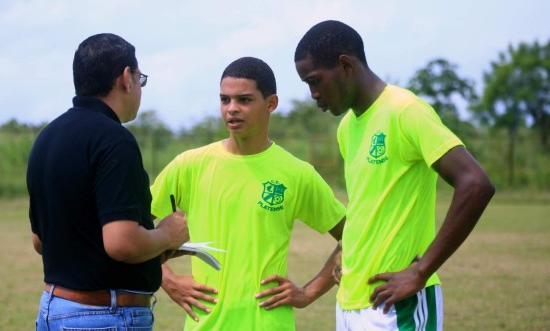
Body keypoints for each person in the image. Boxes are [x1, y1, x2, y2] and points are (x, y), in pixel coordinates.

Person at [294, 20, 496, 330]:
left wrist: (420, 271)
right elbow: (366, 212)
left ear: (345, 65)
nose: (313, 94)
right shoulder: (347, 128)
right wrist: (329, 272)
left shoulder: (406, 111)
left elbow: (476, 184)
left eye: (314, 81)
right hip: (350, 302)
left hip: (396, 307)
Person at [150, 56, 347, 330]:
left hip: (270, 324)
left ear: (271, 103)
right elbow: (132, 228)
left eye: (244, 100)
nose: (231, 109)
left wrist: (307, 293)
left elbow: (352, 235)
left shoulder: (297, 173)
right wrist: (167, 280)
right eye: (224, 100)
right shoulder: (190, 165)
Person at [27, 33, 189, 330]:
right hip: (103, 315)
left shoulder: (47, 137)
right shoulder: (114, 140)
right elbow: (122, 242)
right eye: (141, 78)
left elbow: (42, 240)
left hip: (54, 307)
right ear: (126, 77)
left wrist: (152, 249)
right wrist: (168, 233)